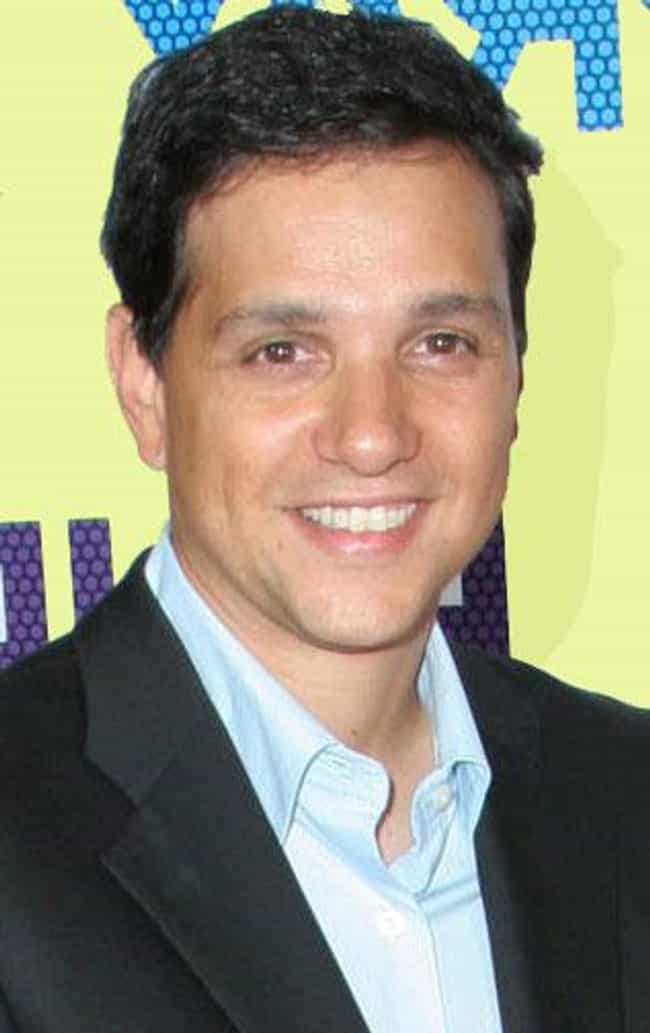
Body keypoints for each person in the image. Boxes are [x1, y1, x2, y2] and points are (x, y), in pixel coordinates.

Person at [1, 6, 648, 1032]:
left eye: (440, 343)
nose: (372, 434)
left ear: (517, 372)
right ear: (144, 383)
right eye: (283, 353)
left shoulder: (625, 791)